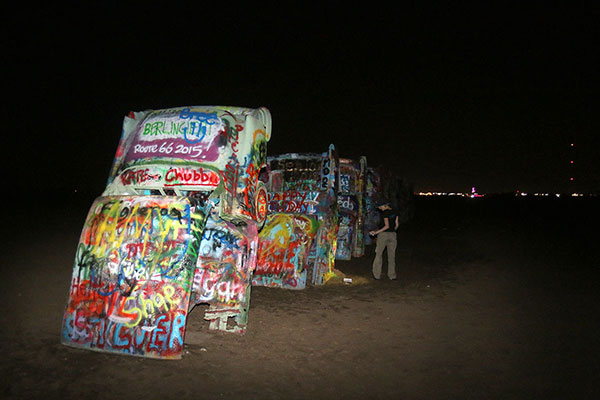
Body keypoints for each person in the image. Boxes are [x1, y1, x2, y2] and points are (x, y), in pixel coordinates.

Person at [369, 201, 399, 280]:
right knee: (391, 256)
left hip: (383, 235)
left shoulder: (385, 213)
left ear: (384, 206)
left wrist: (375, 232)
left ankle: (376, 275)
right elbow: (396, 224)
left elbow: (386, 226)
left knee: (378, 254)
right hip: (393, 235)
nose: (379, 208)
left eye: (380, 207)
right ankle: (392, 275)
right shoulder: (395, 211)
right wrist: (392, 231)